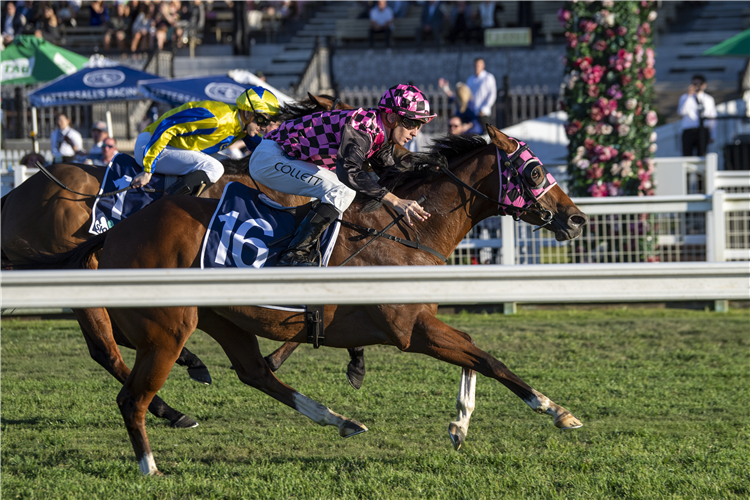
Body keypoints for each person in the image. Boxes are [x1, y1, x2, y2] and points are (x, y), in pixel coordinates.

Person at [248, 83, 434, 266]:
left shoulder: (379, 134)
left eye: (420, 125)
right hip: (270, 159)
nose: (415, 132)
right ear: (392, 117)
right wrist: (395, 201)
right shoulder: (363, 125)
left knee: (342, 191)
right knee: (342, 190)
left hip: (284, 158)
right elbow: (348, 171)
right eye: (411, 123)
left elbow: (391, 174)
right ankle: (294, 254)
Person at [130, 86, 280, 196]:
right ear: (247, 112)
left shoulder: (242, 126)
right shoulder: (216, 119)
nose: (263, 127)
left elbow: (262, 148)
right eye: (261, 120)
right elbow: (167, 126)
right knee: (215, 168)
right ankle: (168, 203)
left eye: (267, 123)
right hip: (150, 145)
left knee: (229, 164)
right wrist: (148, 170)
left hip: (172, 147)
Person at [678, 74, 716, 157]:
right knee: (687, 156)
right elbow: (681, 112)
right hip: (689, 130)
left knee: (702, 155)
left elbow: (712, 118)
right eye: (694, 84)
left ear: (704, 85)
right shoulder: (685, 97)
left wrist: (712, 134)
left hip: (703, 130)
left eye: (699, 84)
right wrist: (689, 96)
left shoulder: (709, 99)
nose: (696, 87)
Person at [465, 57, 496, 128]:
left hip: (483, 114)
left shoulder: (488, 77)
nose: (477, 67)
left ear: (483, 65)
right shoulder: (470, 79)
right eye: (476, 65)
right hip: (472, 113)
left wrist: (484, 109)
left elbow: (492, 94)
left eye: (479, 65)